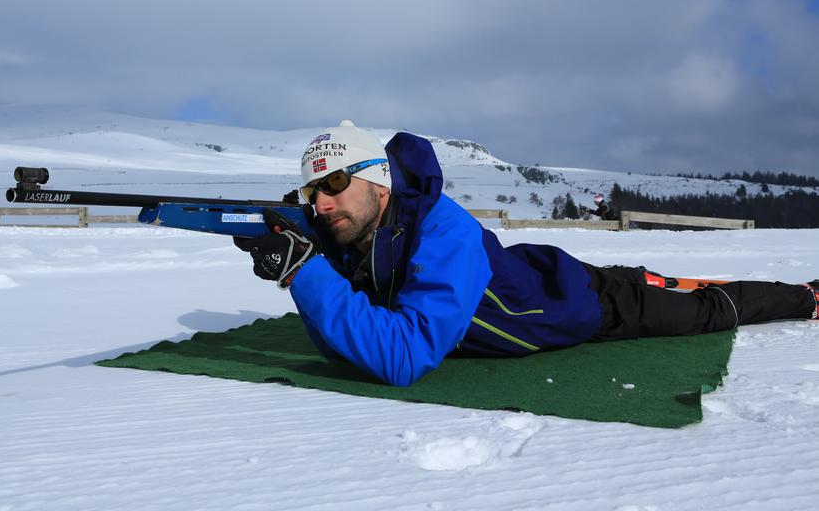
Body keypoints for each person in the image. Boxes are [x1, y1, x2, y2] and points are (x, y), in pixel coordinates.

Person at [236, 122, 819, 387]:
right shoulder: (353, 239)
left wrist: (305, 272)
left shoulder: (443, 231)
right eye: (311, 192)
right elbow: (345, 339)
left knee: (704, 306)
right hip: (538, 275)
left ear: (379, 184)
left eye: (334, 184)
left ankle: (808, 296)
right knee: (667, 285)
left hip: (581, 304)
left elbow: (402, 359)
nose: (322, 202)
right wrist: (306, 266)